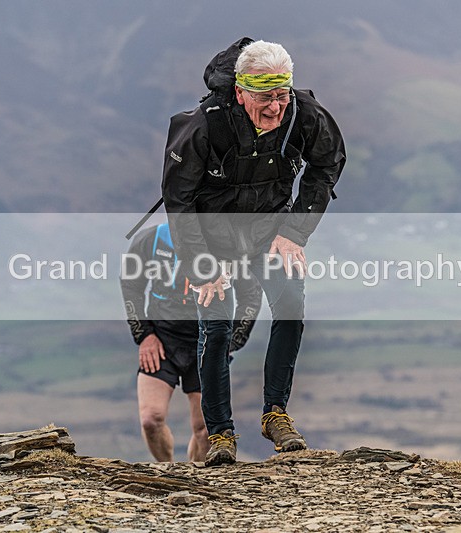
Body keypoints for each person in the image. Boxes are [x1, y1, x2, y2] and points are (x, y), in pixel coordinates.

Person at [161, 40, 345, 465]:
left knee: (291, 307)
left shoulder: (303, 114)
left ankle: (275, 414)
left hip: (269, 233)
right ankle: (221, 435)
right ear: (241, 92)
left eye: (281, 96)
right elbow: (178, 199)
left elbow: (329, 161)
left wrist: (295, 232)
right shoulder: (204, 127)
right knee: (218, 325)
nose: (275, 108)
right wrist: (200, 265)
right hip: (212, 239)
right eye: (265, 98)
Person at [121, 222, 262, 462]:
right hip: (162, 339)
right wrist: (144, 335)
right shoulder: (151, 239)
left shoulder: (228, 242)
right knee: (150, 420)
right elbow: (131, 286)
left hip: (206, 339)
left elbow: (251, 295)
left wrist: (231, 341)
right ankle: (167, 472)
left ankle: (195, 481)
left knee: (205, 429)